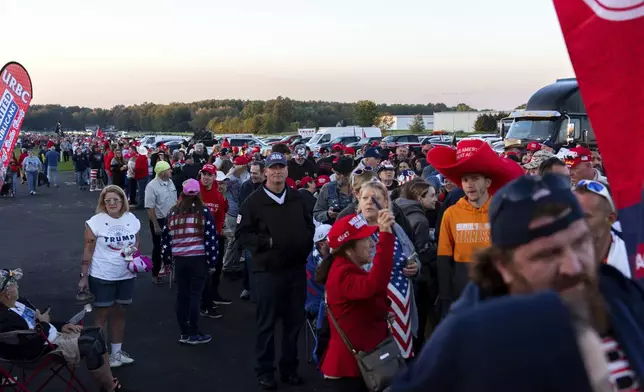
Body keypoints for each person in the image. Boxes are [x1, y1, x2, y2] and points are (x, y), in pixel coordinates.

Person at [396, 174, 644, 392]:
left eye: (581, 243)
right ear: (503, 266)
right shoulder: (468, 342)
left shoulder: (619, 292)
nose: (573, 267)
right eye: (547, 254)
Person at [236, 152, 315, 390]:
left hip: (296, 271)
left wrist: (305, 241)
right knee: (267, 325)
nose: (278, 171)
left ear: (287, 171)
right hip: (268, 272)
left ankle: (289, 369)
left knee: (294, 324)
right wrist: (266, 243)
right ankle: (265, 371)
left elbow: (309, 225)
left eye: (281, 167)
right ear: (266, 172)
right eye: (273, 168)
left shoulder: (298, 198)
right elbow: (242, 235)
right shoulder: (253, 201)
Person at [427, 139, 523, 317]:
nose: (469, 184)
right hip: (461, 291)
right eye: (465, 180)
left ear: (487, 182)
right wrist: (446, 297)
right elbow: (443, 259)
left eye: (475, 179)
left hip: (496, 291)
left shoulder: (501, 211)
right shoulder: (451, 214)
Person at [0, 269, 134, 392]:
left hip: (52, 336)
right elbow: (31, 346)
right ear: (7, 293)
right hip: (43, 351)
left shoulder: (19, 302)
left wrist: (62, 326)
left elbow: (37, 324)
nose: (17, 286)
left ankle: (109, 383)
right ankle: (112, 388)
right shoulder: (5, 320)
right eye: (14, 285)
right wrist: (44, 323)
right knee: (92, 344)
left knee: (97, 332)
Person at [317, 210, 396, 392]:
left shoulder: (346, 269)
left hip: (362, 367)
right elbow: (375, 285)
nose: (372, 243)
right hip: (349, 373)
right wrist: (386, 237)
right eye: (365, 239)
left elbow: (363, 303)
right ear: (349, 247)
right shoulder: (343, 273)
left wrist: (381, 314)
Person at [354, 181, 419, 358]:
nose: (369, 202)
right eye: (365, 198)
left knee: (400, 357)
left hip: (402, 301)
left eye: (375, 198)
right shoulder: (353, 229)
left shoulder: (395, 227)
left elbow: (412, 253)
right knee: (378, 359)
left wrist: (415, 267)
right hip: (371, 303)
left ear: (385, 203)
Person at [78, 186, 140, 368]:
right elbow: (88, 249)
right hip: (102, 275)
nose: (112, 203)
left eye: (116, 200)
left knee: (120, 314)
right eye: (108, 200)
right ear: (103, 203)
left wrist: (135, 256)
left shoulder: (132, 219)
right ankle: (101, 356)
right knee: (101, 316)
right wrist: (83, 276)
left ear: (123, 201)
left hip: (126, 275)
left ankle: (117, 353)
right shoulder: (95, 222)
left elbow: (136, 242)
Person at [161, 179, 218, 344]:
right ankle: (194, 332)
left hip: (180, 260)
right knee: (195, 296)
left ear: (182, 193)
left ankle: (184, 332)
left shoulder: (172, 212)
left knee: (182, 296)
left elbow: (166, 240)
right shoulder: (204, 212)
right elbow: (211, 238)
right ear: (198, 193)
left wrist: (167, 261)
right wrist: (212, 261)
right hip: (198, 260)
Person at [395, 178, 439, 351]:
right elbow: (422, 253)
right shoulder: (421, 220)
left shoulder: (398, 209)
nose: (436, 199)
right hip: (417, 279)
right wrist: (435, 248)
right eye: (432, 196)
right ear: (420, 198)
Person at [574, 180, 630, 277]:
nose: (575, 223)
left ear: (610, 219)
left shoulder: (632, 264)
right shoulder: (556, 260)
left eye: (585, 217)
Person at [199, 164, 230, 316]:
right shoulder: (194, 189)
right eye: (204, 174)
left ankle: (213, 295)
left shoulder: (218, 193)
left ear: (213, 177)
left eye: (209, 175)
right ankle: (204, 303)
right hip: (197, 238)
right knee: (203, 272)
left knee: (216, 268)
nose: (206, 177)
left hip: (214, 237)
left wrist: (218, 232)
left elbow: (221, 214)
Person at [144, 161, 178, 284]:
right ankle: (156, 273)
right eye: (169, 169)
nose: (171, 171)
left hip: (173, 219)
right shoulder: (151, 186)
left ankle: (172, 271)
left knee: (174, 246)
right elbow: (150, 207)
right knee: (158, 248)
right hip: (160, 220)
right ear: (162, 172)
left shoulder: (170, 182)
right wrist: (156, 225)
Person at [222, 155, 250, 278]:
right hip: (231, 213)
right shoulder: (230, 178)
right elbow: (221, 188)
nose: (236, 166)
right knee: (232, 240)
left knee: (238, 239)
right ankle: (227, 265)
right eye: (235, 164)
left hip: (240, 212)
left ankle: (234, 263)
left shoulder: (244, 176)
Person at [313, 156, 354, 225]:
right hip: (334, 228)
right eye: (337, 174)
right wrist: (327, 214)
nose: (339, 177)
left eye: (344, 175)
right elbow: (317, 213)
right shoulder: (327, 188)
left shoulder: (359, 187)